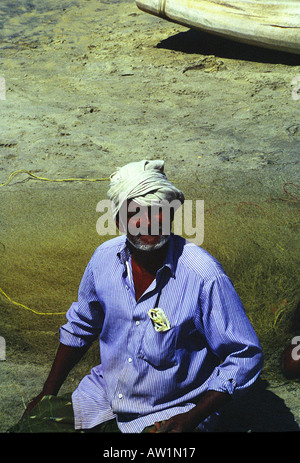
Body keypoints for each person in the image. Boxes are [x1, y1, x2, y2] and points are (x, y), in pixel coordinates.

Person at [10, 159, 263, 433]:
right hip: (102, 398)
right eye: (134, 213)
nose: (147, 223)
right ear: (119, 221)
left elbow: (244, 356)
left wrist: (193, 417)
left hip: (171, 413)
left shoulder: (203, 275)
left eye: (157, 211)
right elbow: (81, 327)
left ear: (171, 215)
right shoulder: (104, 259)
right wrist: (47, 396)